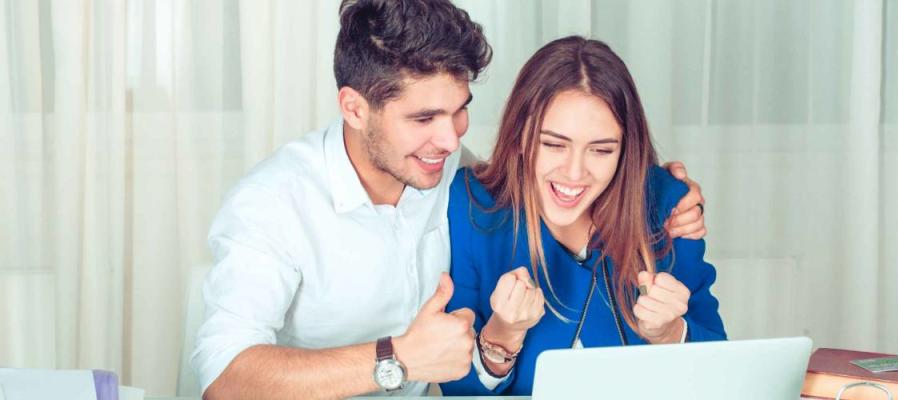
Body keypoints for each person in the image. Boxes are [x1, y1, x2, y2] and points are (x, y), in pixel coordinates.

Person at [191, 1, 707, 398]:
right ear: (354, 108)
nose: (449, 138)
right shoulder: (273, 203)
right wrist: (397, 359)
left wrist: (661, 191)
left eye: (459, 110)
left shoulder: (453, 178)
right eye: (422, 118)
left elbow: (551, 171)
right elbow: (224, 378)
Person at [440, 36, 727, 396]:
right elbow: (458, 390)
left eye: (601, 150)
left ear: (626, 150)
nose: (574, 174)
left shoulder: (669, 204)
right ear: (520, 135)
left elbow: (720, 372)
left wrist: (672, 335)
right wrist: (503, 336)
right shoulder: (470, 205)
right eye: (554, 144)